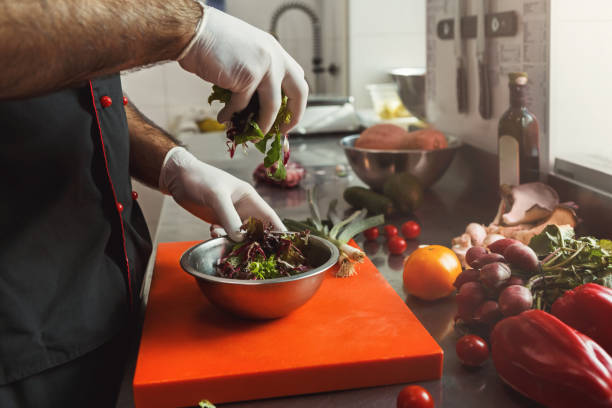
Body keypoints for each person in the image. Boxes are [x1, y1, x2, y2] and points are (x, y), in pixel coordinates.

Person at [0, 1, 308, 407]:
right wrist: (189, 28)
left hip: (114, 303)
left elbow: (78, 96)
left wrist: (172, 164)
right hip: (20, 340)